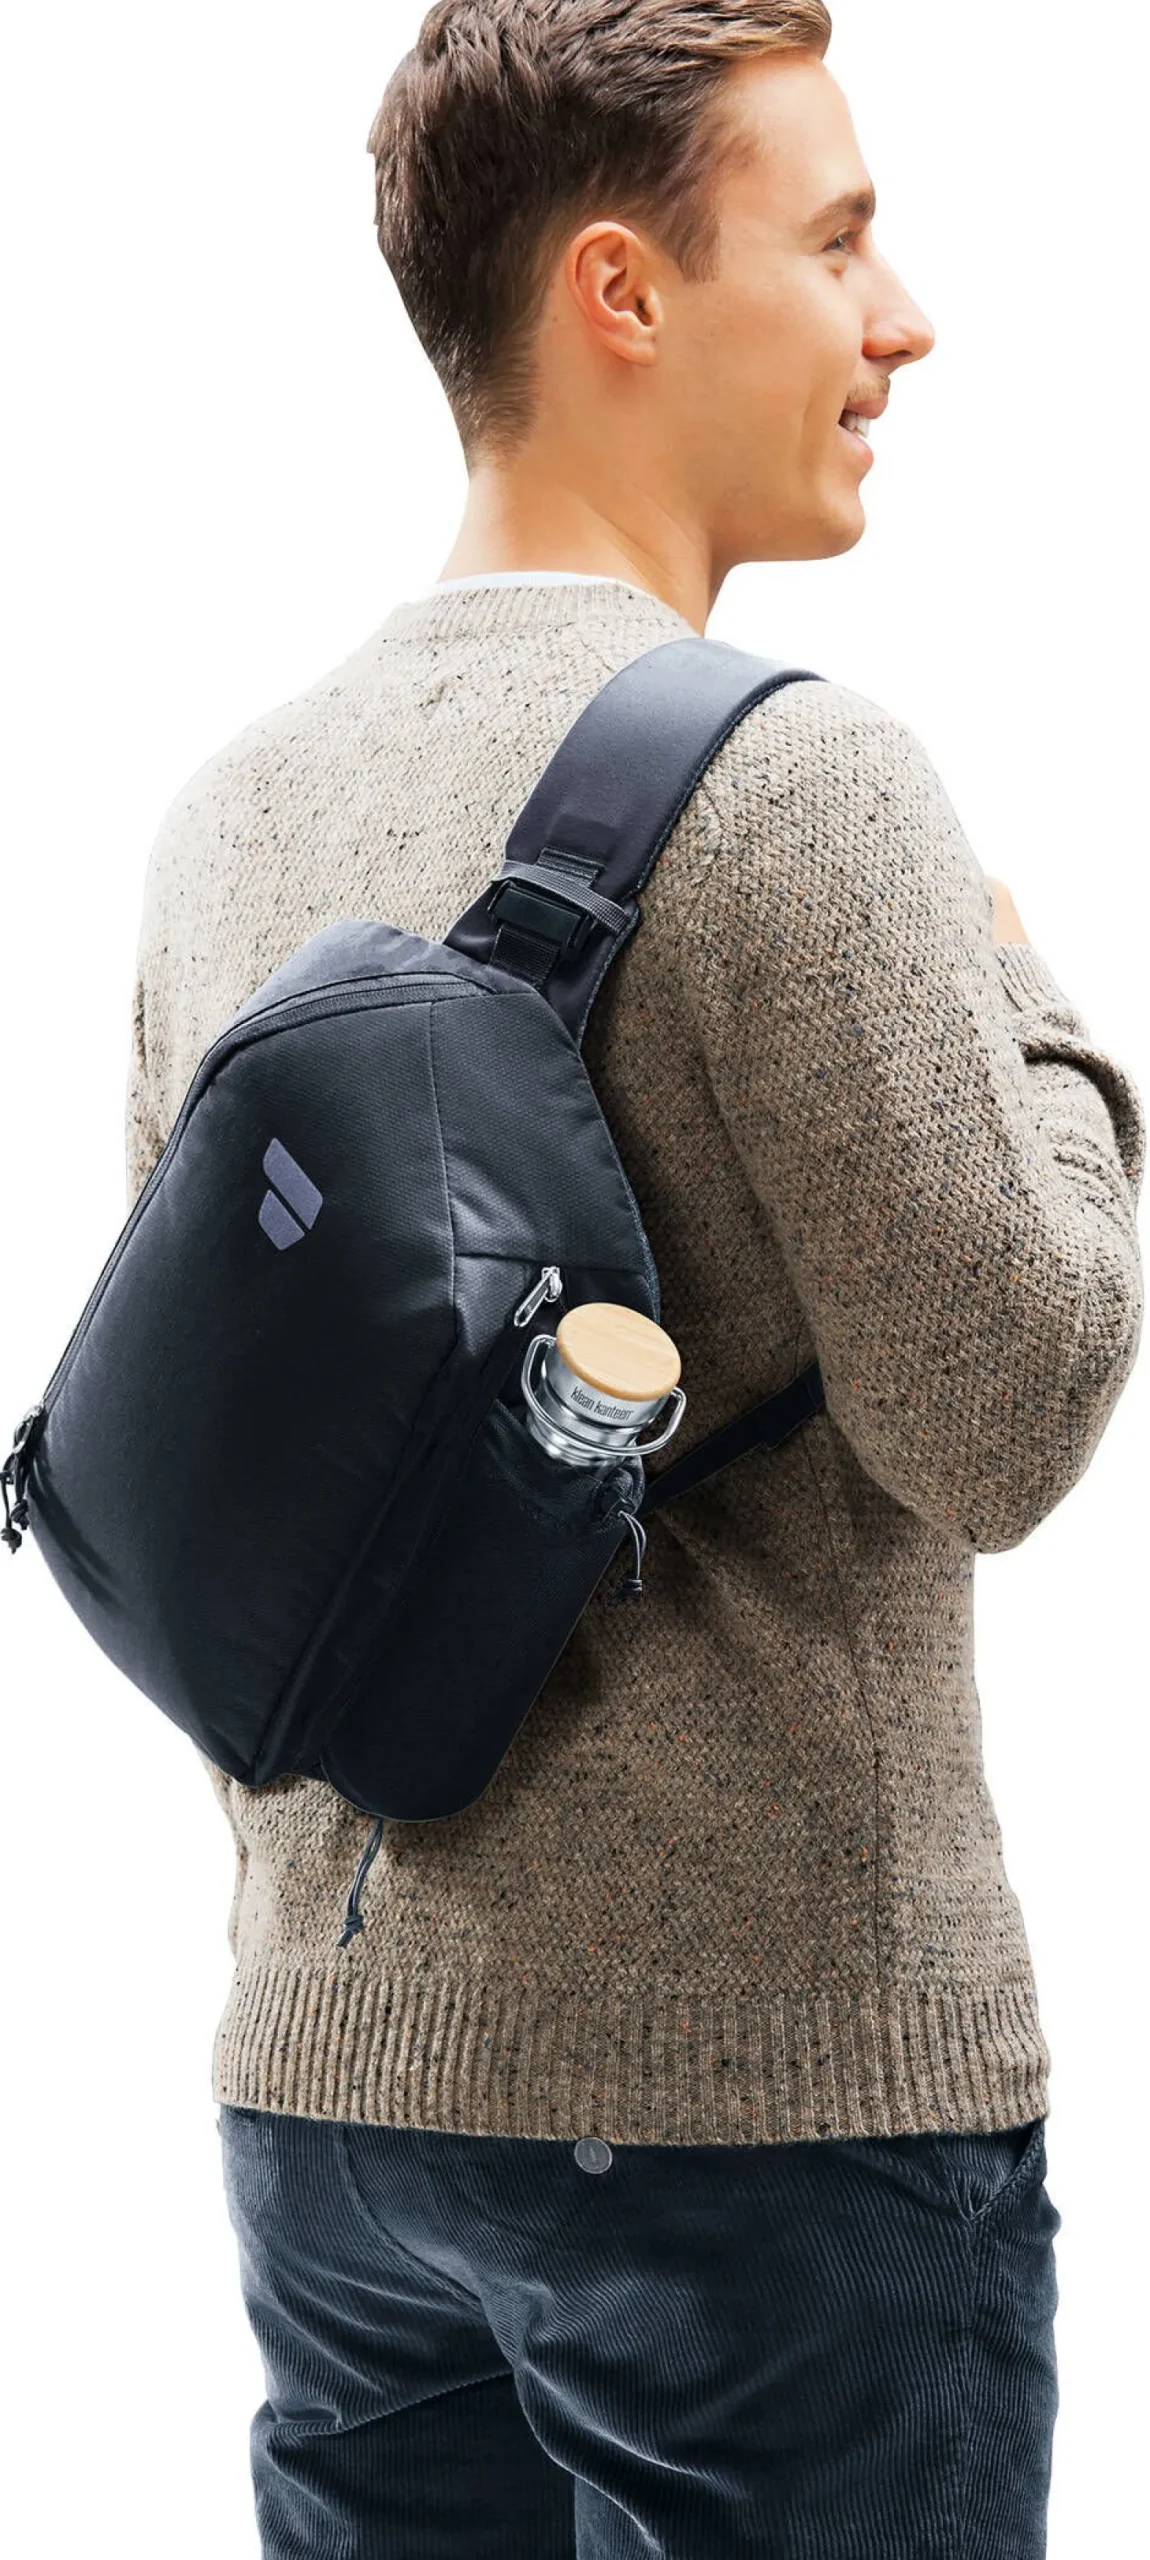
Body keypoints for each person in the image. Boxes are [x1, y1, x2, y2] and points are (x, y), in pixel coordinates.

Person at [124, 6, 1144, 2553]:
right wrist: (1033, 1004)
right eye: (836, 239)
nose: (903, 317)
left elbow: (219, 1472)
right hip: (754, 2117)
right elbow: (1006, 1410)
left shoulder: (227, 811)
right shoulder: (798, 773)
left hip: (333, 2097)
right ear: (620, 290)